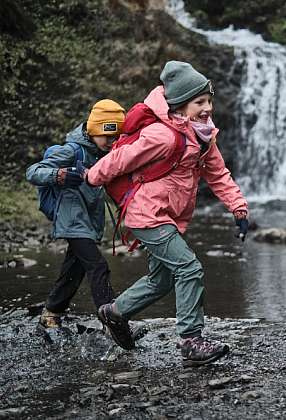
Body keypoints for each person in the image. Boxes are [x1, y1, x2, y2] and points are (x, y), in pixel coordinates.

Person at [83, 61, 249, 366]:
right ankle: (191, 340)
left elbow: (218, 173)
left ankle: (114, 313)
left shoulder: (204, 137)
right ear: (181, 105)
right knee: (189, 268)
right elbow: (121, 159)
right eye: (199, 102)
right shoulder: (162, 135)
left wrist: (238, 207)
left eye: (209, 101)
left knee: (161, 280)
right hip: (148, 214)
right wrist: (92, 176)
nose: (207, 108)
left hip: (168, 215)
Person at [26, 99, 126, 330]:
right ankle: (114, 325)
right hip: (72, 219)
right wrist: (59, 175)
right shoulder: (71, 150)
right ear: (93, 130)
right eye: (106, 136)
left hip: (89, 220)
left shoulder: (107, 154)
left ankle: (51, 312)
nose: (111, 142)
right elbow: (33, 172)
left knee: (76, 266)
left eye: (115, 137)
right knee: (98, 266)